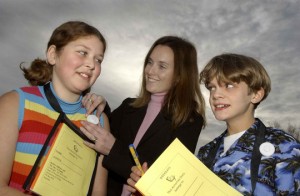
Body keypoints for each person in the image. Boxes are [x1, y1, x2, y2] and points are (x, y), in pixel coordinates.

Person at [127, 53, 300, 195]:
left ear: (255, 94)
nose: (216, 94)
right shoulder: (205, 153)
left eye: (229, 85)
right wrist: (152, 187)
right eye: (212, 87)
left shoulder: (283, 146)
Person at [79, 36, 206, 195]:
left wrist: (113, 150)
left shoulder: (190, 121)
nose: (150, 71)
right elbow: (101, 133)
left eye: (162, 66)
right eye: (150, 62)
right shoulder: (128, 106)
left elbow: (166, 181)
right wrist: (100, 106)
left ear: (180, 76)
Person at [0, 21, 109, 195]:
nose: (91, 64)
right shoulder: (14, 103)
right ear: (53, 55)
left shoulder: (100, 120)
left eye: (98, 59)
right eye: (83, 52)